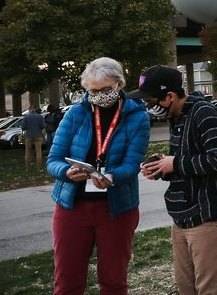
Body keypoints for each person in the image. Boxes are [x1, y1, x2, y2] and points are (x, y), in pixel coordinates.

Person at [47, 57, 150, 295]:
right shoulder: (75, 114)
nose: (97, 96)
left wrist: (112, 177)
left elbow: (132, 163)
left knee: (114, 282)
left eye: (104, 90)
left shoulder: (137, 117)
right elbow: (53, 160)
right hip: (72, 208)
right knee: (67, 282)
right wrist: (66, 172)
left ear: (118, 85)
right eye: (91, 91)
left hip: (116, 209)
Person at [137, 65, 217, 294]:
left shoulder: (202, 112)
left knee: (209, 288)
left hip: (208, 215)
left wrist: (175, 164)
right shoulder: (177, 116)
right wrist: (162, 167)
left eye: (151, 101)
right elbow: (186, 160)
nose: (149, 107)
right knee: (186, 287)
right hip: (182, 215)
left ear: (170, 96)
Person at [23, 105, 46, 170]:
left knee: (27, 152)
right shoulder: (40, 117)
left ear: (29, 109)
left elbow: (23, 127)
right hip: (38, 135)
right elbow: (43, 126)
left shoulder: (26, 117)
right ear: (35, 109)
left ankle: (27, 168)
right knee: (38, 152)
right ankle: (39, 168)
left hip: (28, 136)